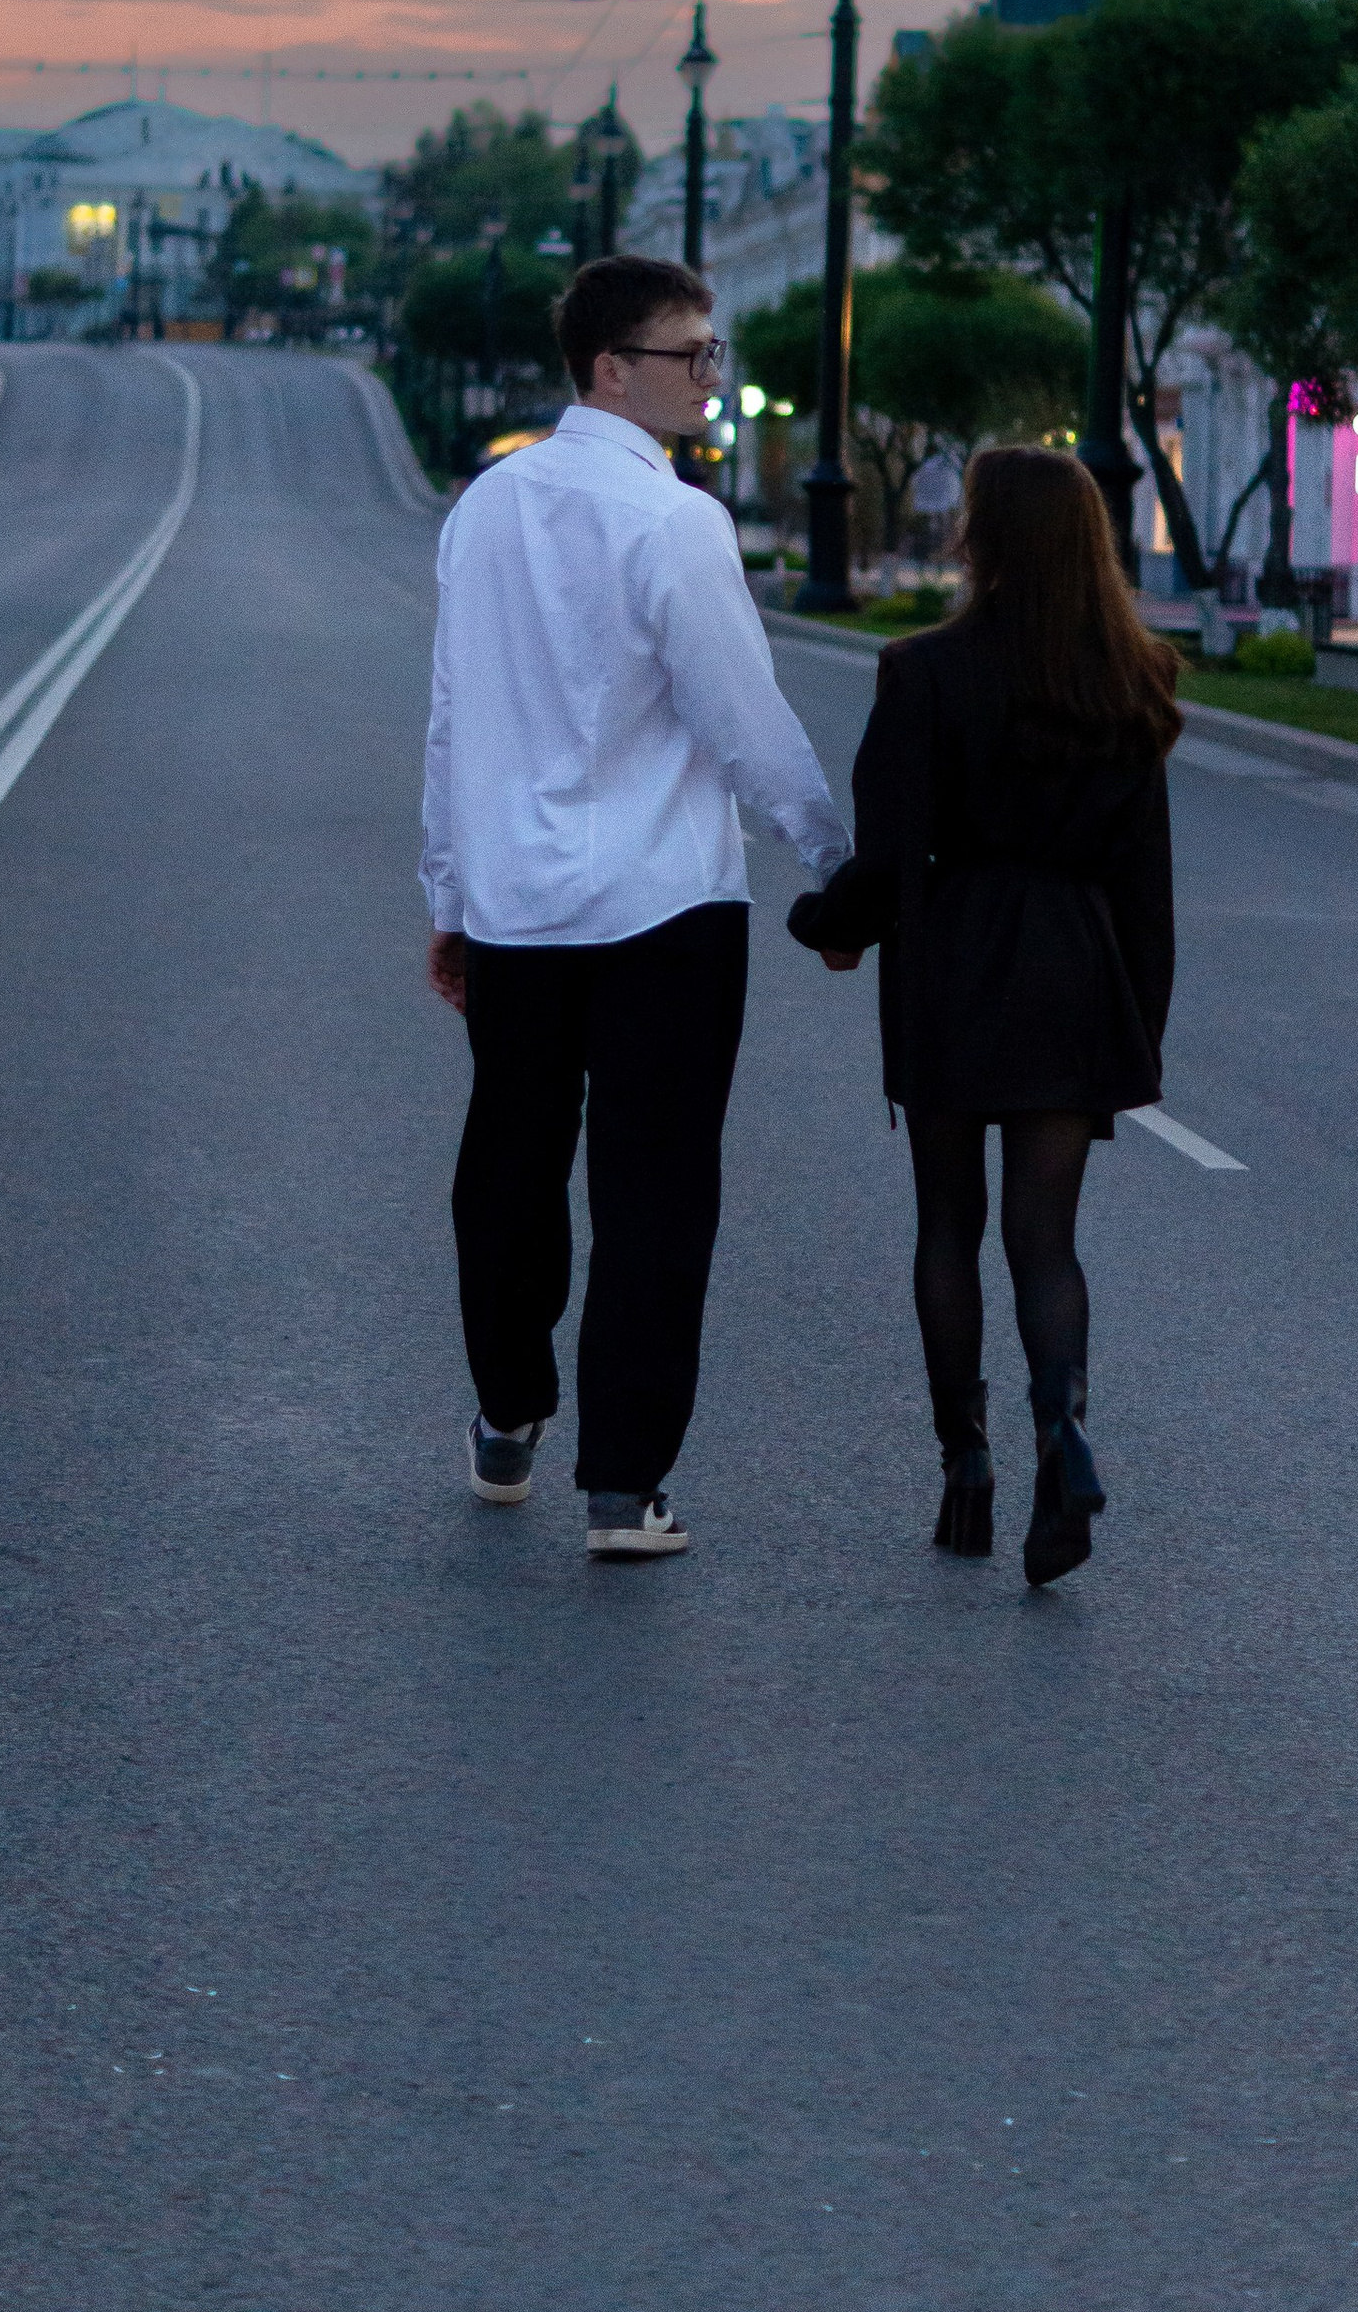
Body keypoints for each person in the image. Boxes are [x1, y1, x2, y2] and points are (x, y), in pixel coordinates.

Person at [423, 252, 848, 1558]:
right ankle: (624, 1483)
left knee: (509, 1163)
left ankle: (508, 1411)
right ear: (615, 368)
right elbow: (741, 719)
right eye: (693, 355)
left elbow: (454, 721)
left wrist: (447, 892)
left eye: (711, 355)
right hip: (664, 911)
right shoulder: (676, 525)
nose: (713, 379)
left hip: (513, 909)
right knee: (655, 1192)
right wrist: (836, 861)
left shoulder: (484, 511)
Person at [787, 444, 1178, 1588]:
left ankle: (965, 1466)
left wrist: (825, 923)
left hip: (955, 962)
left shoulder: (924, 671)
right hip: (1075, 972)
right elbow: (1145, 886)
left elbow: (889, 854)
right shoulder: (1131, 676)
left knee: (946, 1226)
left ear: (984, 536)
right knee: (1045, 1240)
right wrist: (1134, 1032)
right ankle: (1063, 1428)